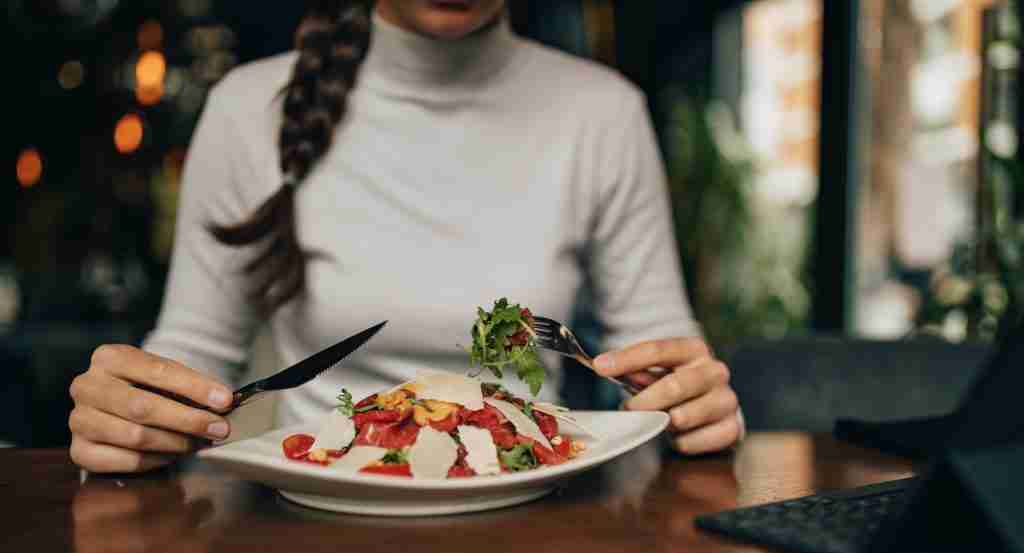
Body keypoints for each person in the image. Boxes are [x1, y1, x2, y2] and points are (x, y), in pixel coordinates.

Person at [68, 0, 742, 473]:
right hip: (310, 528)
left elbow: (660, 360)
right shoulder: (248, 108)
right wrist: (133, 414)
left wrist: (693, 403)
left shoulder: (605, 113)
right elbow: (193, 357)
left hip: (538, 527)